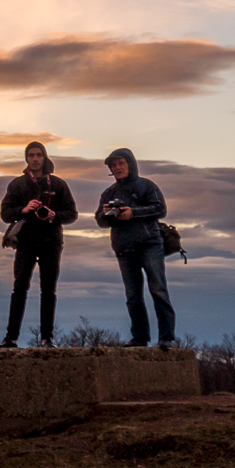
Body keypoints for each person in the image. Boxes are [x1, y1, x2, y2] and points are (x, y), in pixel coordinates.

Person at [0, 140, 76, 347]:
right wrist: (24, 209)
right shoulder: (17, 184)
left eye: (39, 155)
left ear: (44, 157)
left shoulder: (58, 184)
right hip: (26, 243)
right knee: (19, 289)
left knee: (48, 291)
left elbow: (72, 214)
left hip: (51, 243)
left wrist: (53, 215)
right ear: (26, 158)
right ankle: (11, 338)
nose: (35, 159)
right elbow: (5, 214)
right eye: (31, 155)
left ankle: (47, 339)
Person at [96, 147, 176, 347]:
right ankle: (140, 338)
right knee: (133, 296)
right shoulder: (108, 193)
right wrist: (107, 214)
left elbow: (160, 209)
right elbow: (100, 221)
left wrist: (133, 213)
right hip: (124, 249)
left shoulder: (146, 185)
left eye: (121, 163)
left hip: (150, 245)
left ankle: (166, 337)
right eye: (114, 165)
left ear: (130, 164)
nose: (117, 168)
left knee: (158, 290)